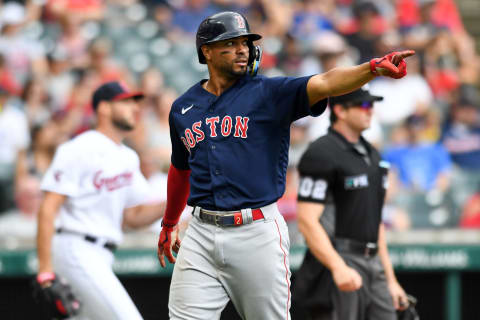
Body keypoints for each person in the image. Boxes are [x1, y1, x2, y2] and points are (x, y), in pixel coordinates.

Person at [157, 11, 414, 320]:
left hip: (255, 231)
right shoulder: (183, 107)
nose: (242, 50)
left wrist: (370, 69)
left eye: (245, 43)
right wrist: (170, 222)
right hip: (199, 231)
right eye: (230, 43)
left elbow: (327, 81)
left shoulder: (269, 93)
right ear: (206, 52)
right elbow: (180, 169)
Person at [36, 81, 165, 320]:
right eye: (126, 102)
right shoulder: (79, 148)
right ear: (104, 108)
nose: (134, 108)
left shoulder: (127, 156)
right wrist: (45, 271)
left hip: (103, 254)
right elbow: (48, 208)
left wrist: (174, 202)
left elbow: (132, 217)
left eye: (135, 102)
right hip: (76, 248)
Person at [295, 87, 409, 320]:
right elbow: (307, 220)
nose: (370, 111)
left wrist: (391, 280)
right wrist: (337, 267)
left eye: (372, 106)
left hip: (372, 261)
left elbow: (375, 222)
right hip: (339, 257)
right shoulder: (322, 152)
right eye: (363, 105)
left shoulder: (372, 154)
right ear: (340, 110)